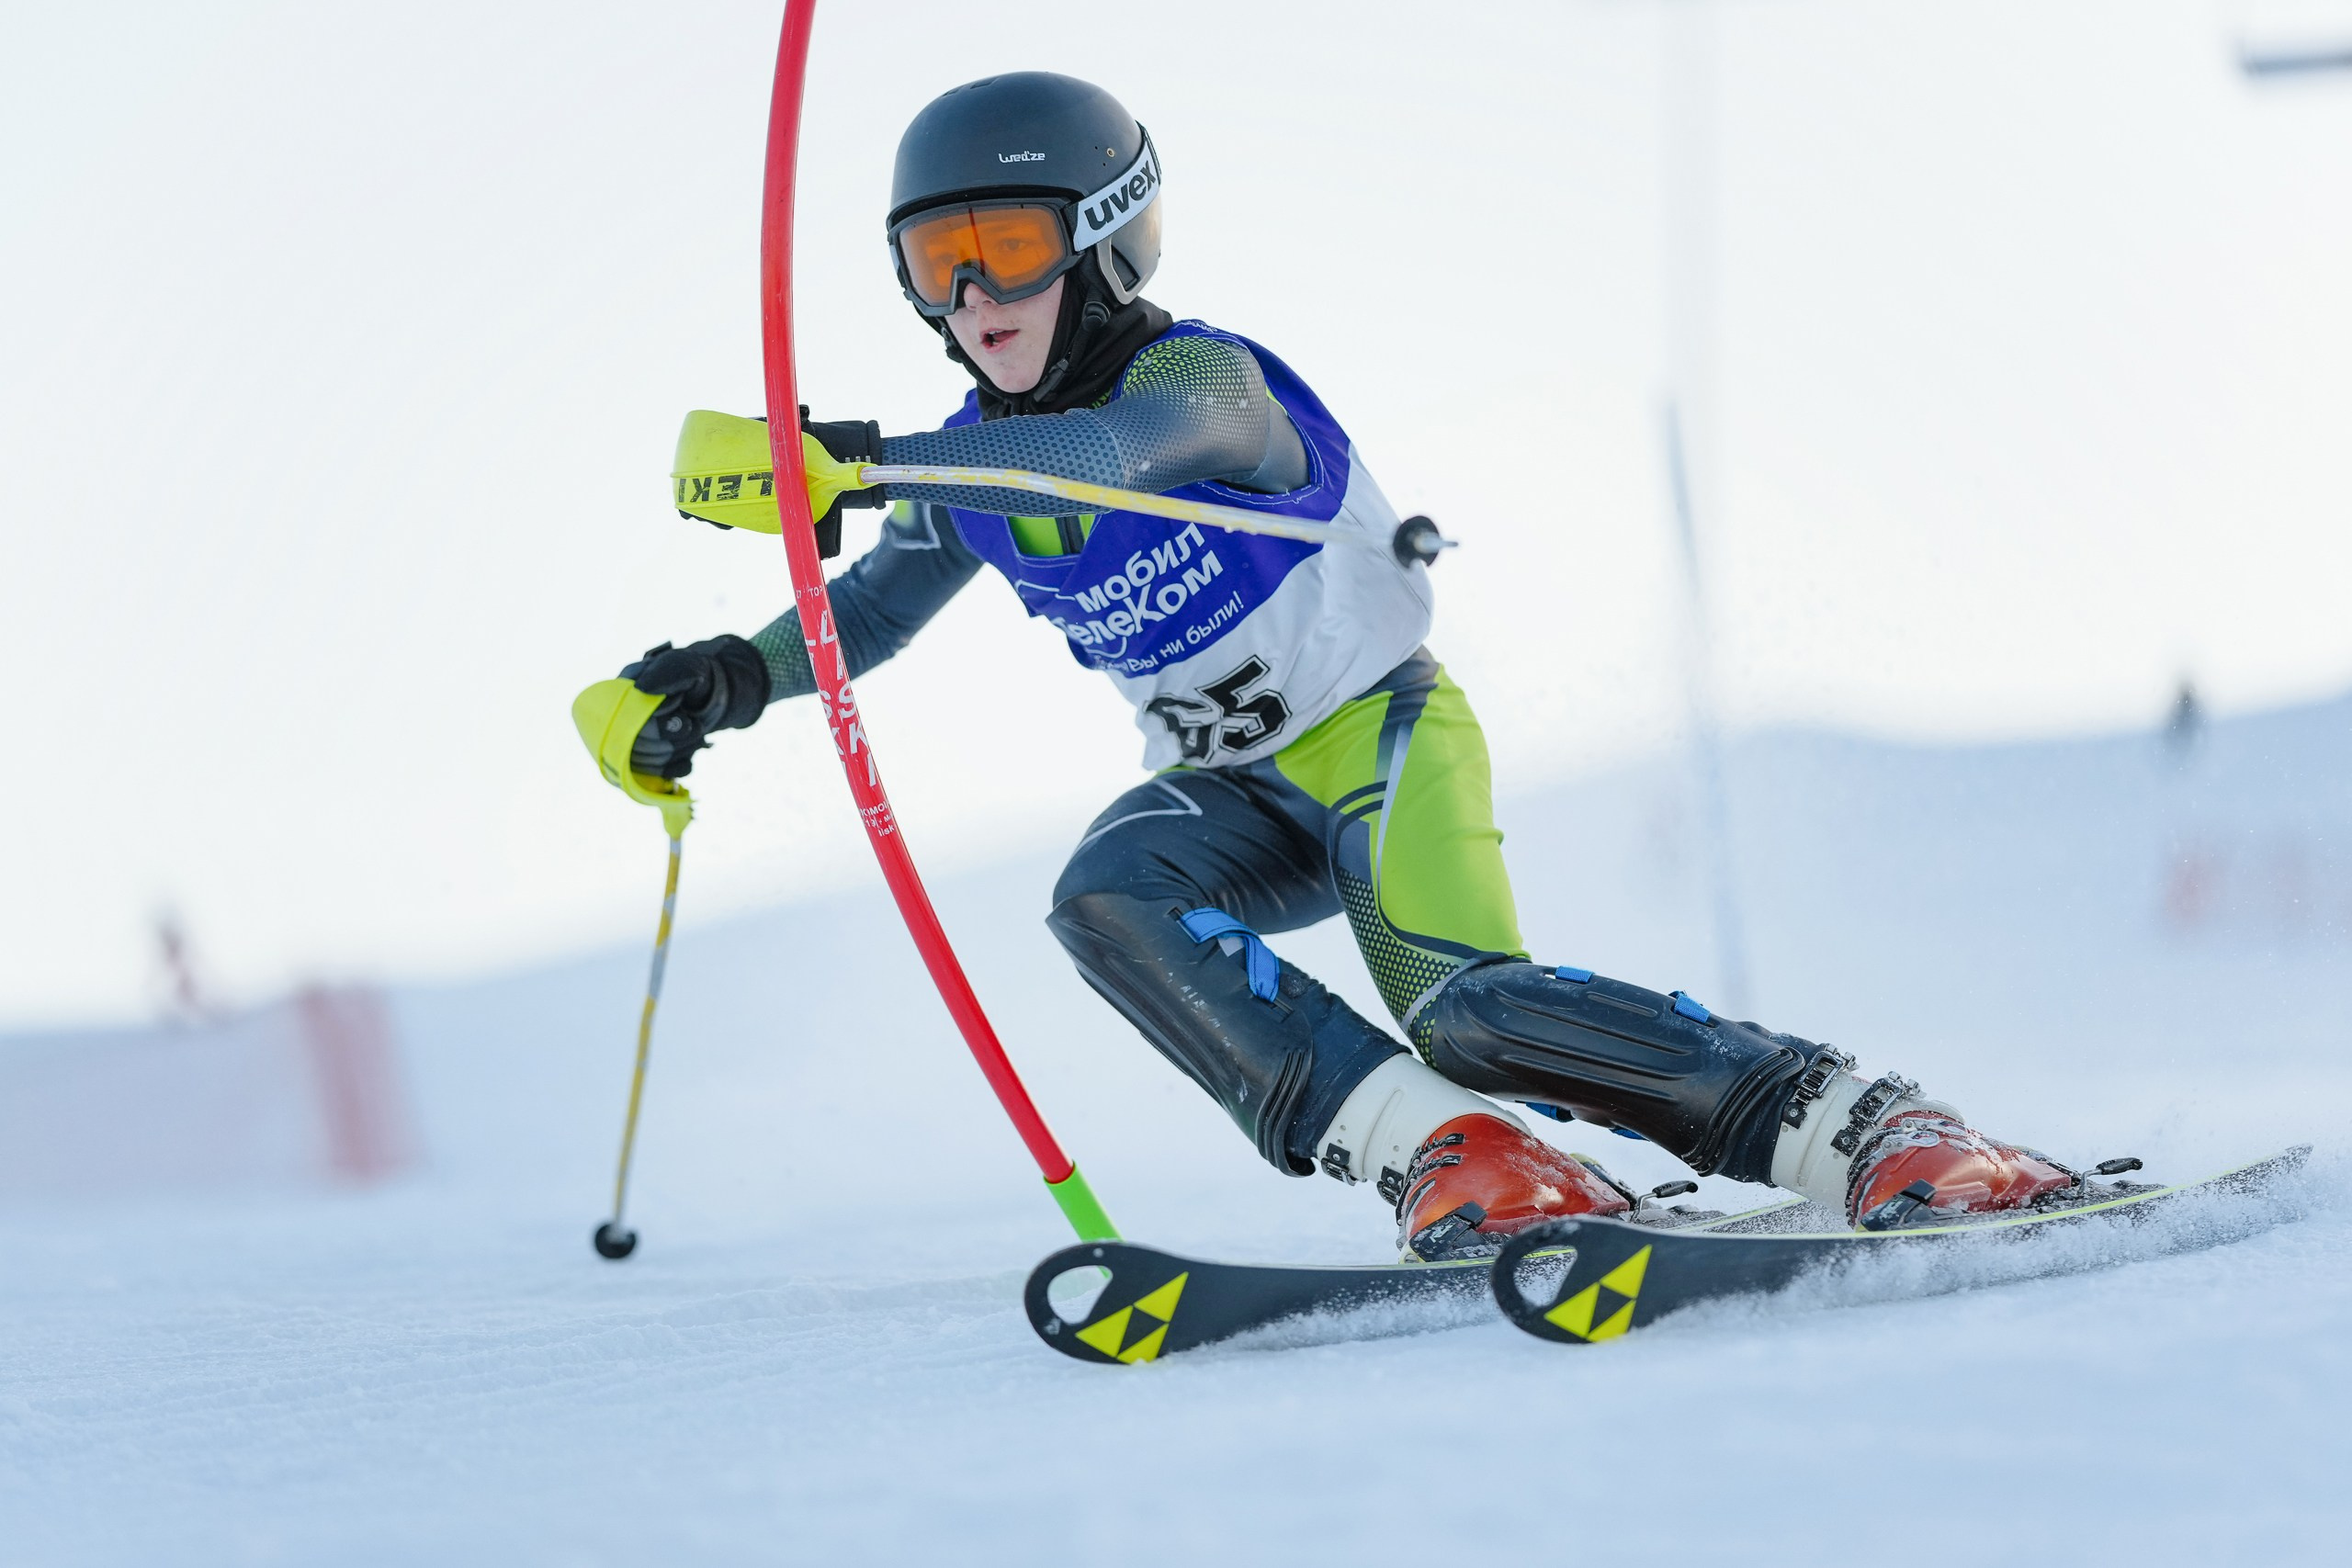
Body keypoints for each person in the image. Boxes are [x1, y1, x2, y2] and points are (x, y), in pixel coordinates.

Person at [595, 73, 2078, 1259]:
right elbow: (877, 605)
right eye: (938, 259)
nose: (975, 296)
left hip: (1378, 738)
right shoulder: (965, 464)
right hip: (1228, 790)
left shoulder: (1203, 382)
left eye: (1013, 247)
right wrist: (724, 677)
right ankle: (1455, 1151)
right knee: (1103, 899)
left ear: (1109, 240)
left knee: (1472, 1008)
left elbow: (1114, 458)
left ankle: (1856, 1126)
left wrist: (843, 458)